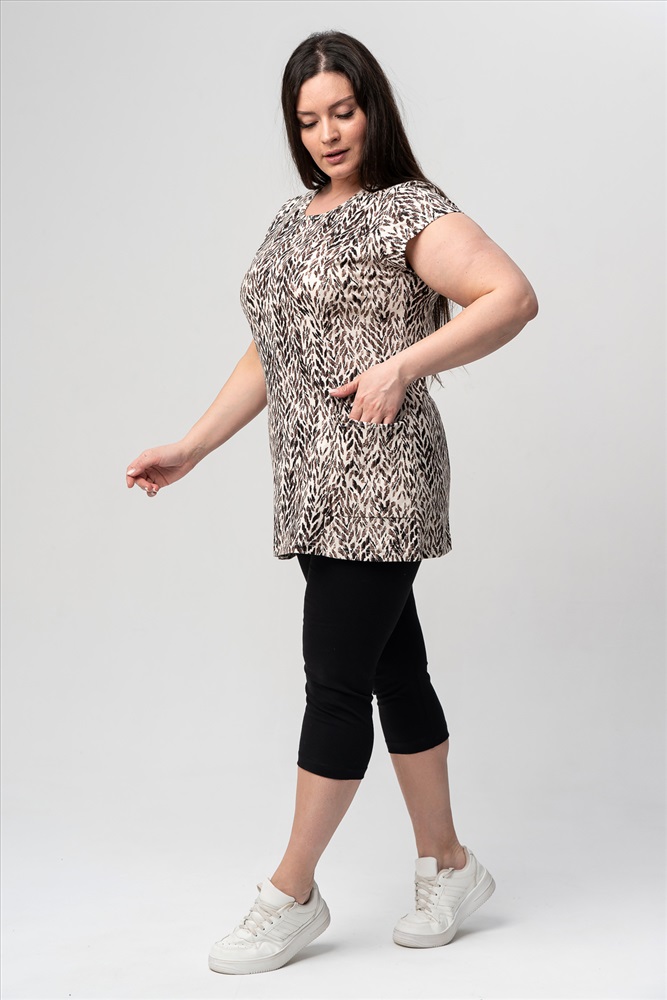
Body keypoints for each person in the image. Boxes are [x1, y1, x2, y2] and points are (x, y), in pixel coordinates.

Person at [126, 30, 538, 976]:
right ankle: (450, 866)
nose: (327, 133)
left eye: (342, 111)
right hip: (311, 484)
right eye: (308, 119)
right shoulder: (291, 220)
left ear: (372, 108)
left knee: (336, 685)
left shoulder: (409, 210)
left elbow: (509, 297)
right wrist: (193, 444)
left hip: (382, 481)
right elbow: (272, 349)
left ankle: (292, 894)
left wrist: (402, 363)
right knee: (397, 673)